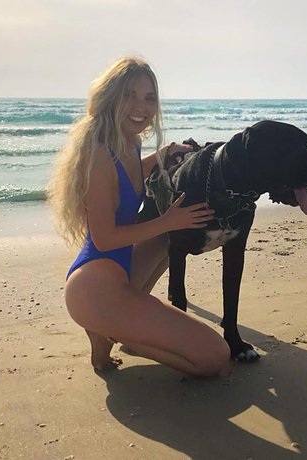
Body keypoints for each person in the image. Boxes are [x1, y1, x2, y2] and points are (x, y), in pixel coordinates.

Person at [48, 57, 230, 376]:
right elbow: (105, 239)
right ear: (110, 97)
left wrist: (163, 154)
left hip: (119, 273)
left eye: (149, 98)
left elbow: (129, 178)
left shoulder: (128, 141)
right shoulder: (99, 154)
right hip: (95, 291)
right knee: (214, 358)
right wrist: (169, 221)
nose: (141, 107)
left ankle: (112, 332)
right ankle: (113, 331)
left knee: (164, 240)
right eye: (129, 95)